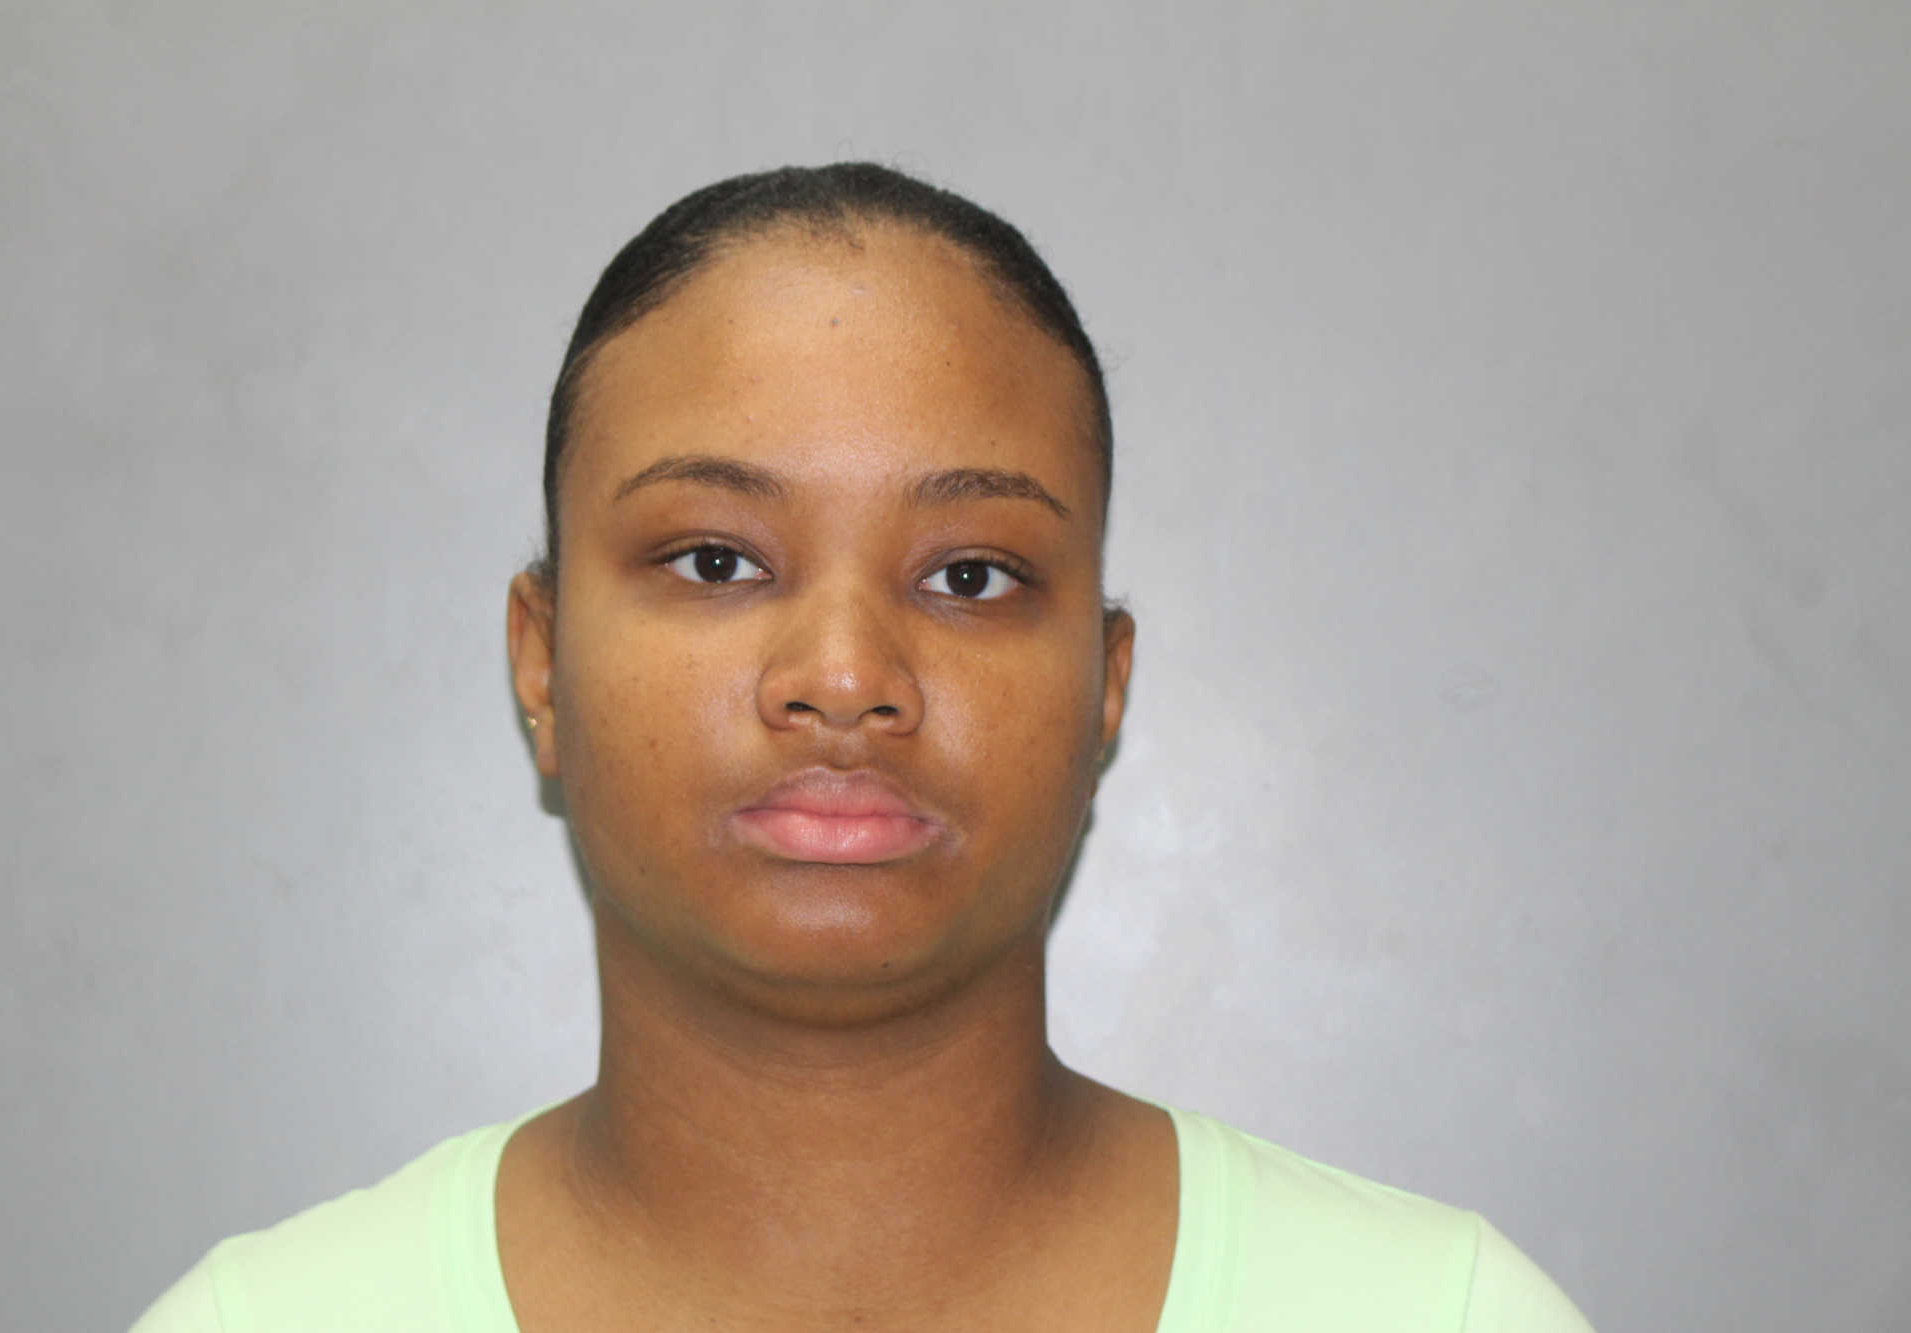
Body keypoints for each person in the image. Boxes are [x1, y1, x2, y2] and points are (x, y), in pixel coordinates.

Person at [132, 163, 1594, 1332]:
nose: (843, 678)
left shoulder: (1441, 1316)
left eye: (970, 574)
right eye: (715, 559)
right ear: (541, 661)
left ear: (1104, 687)